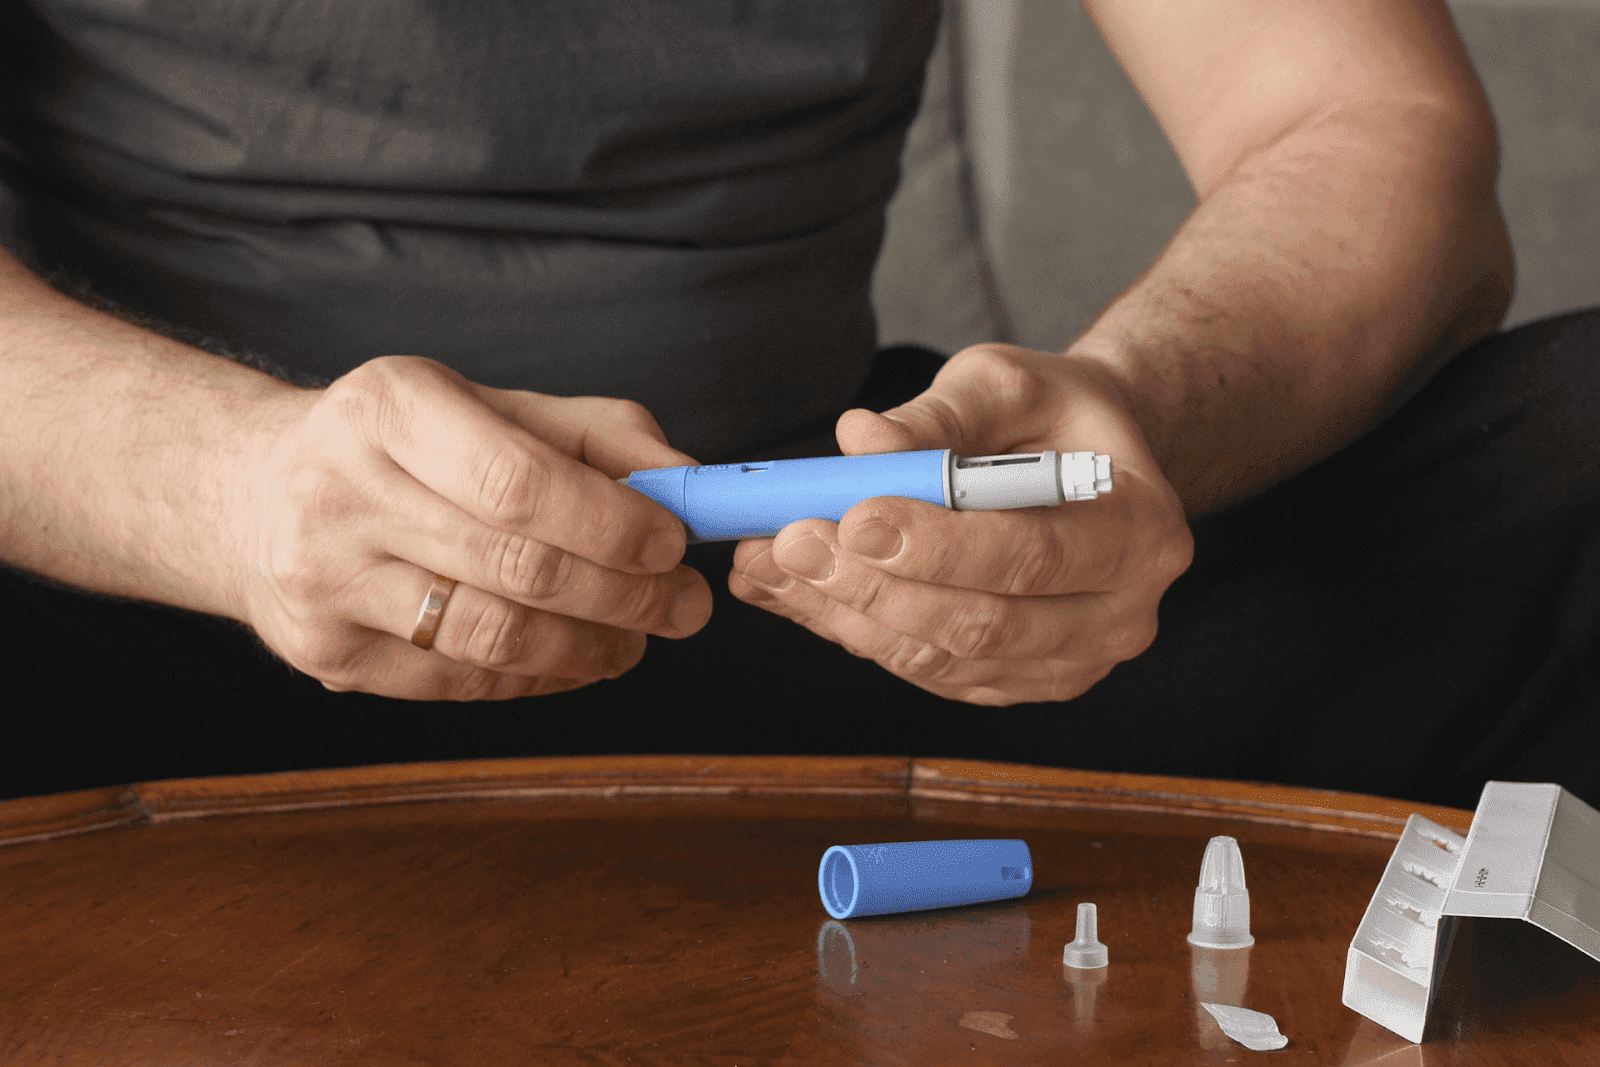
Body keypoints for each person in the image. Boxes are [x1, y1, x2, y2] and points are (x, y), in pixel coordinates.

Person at [1, 1, 1594, 807]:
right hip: (139, 609)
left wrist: (1139, 409)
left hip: (825, 601)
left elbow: (1367, 121)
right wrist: (231, 490)